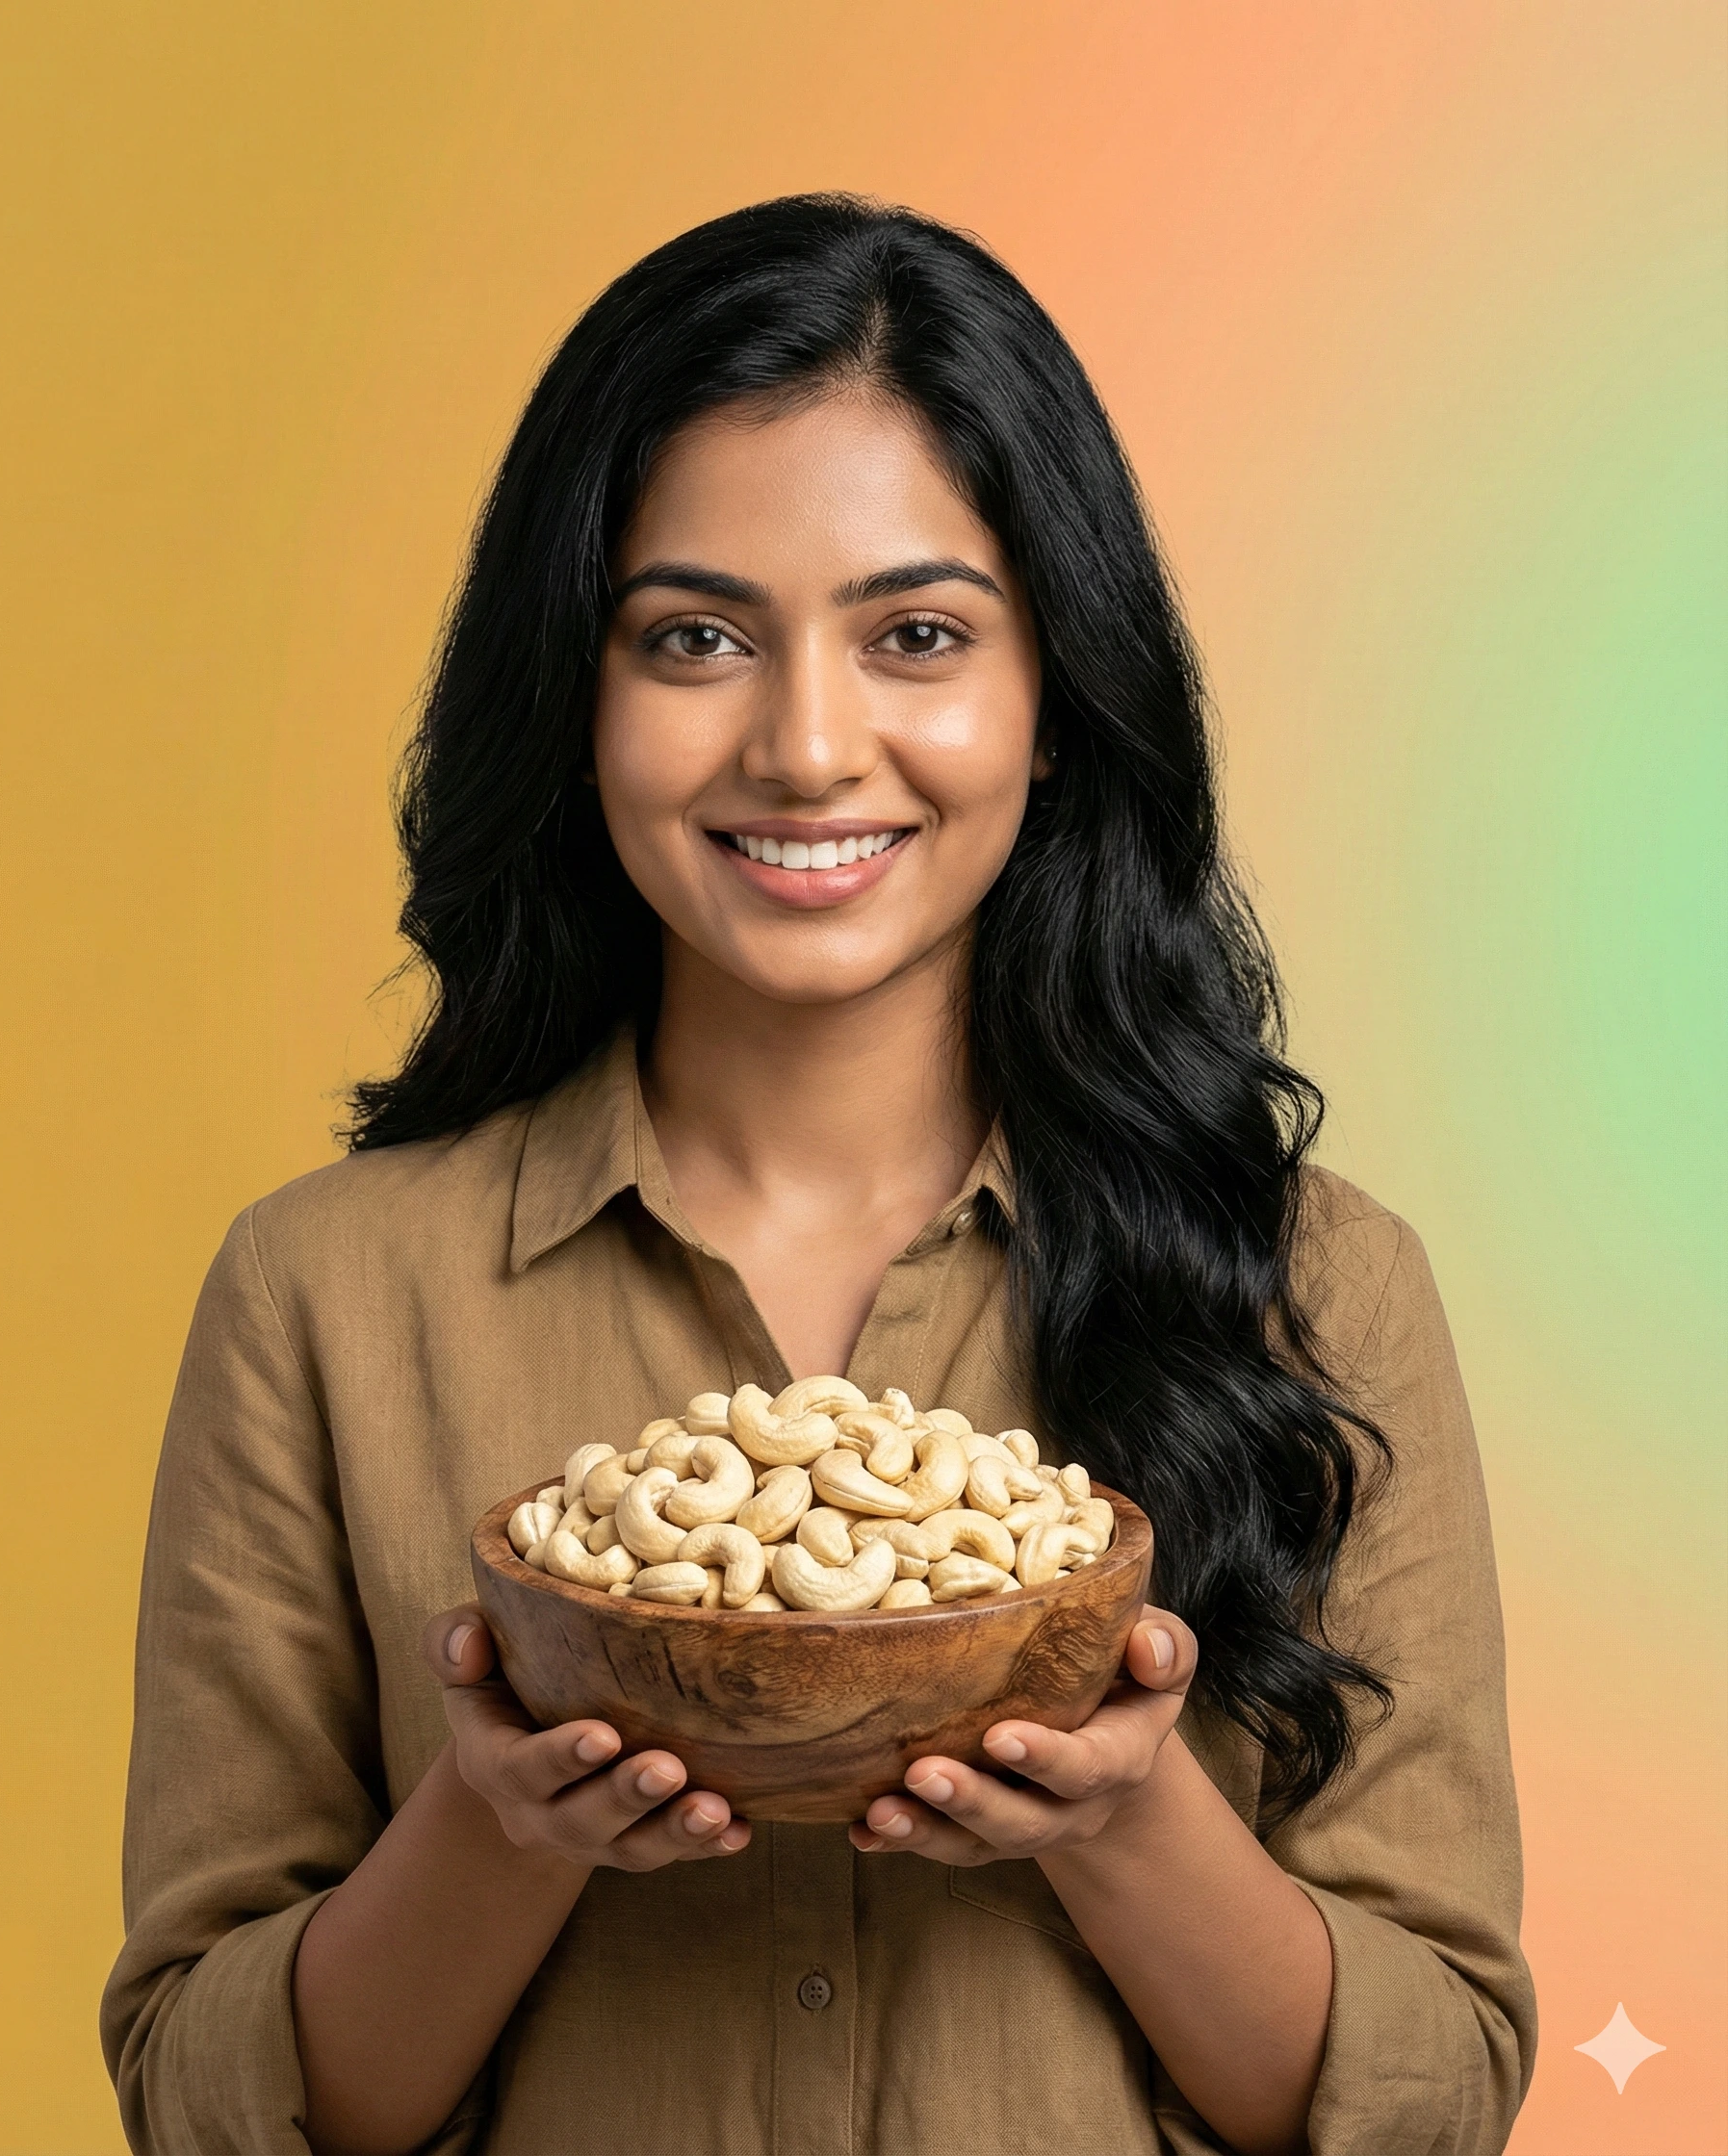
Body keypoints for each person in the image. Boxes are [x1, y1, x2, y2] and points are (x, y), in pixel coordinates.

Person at [102, 195, 1535, 2156]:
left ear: (1052, 702)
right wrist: (493, 1826)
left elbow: (1435, 2089)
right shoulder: (327, 1299)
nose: (802, 742)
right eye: (691, 636)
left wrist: (1124, 1819)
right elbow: (207, 2102)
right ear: (575, 697)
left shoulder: (1316, 1289)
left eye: (916, 635)